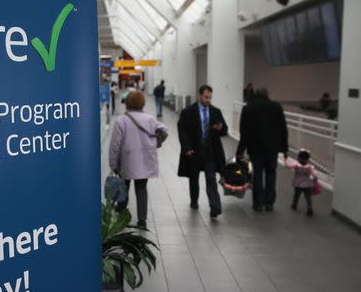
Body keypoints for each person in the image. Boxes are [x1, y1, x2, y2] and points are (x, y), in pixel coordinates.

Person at [109, 91, 167, 227]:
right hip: (144, 160)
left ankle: (120, 215)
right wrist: (157, 142)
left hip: (127, 160)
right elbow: (164, 130)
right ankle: (142, 220)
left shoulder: (121, 121)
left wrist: (113, 164)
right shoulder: (150, 119)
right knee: (141, 188)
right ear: (142, 102)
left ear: (127, 103)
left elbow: (115, 145)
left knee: (124, 188)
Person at [177, 85, 228, 218]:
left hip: (210, 152)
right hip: (194, 152)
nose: (208, 100)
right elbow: (182, 131)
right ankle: (194, 201)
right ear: (200, 95)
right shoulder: (188, 111)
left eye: (210, 97)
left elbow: (225, 130)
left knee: (211, 179)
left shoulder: (216, 112)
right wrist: (187, 148)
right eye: (206, 97)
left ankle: (215, 207)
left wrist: (220, 128)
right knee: (194, 179)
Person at [236, 88, 288, 212]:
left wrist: (240, 151)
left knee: (257, 174)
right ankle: (269, 202)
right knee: (271, 173)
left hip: (255, 148)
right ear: (267, 95)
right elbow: (283, 128)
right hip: (272, 148)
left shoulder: (248, 108)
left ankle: (258, 203)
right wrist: (285, 149)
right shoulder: (276, 107)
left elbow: (244, 132)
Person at [285, 149, 316, 217]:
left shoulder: (296, 165)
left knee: (296, 195)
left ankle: (294, 205)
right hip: (308, 184)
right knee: (308, 197)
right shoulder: (311, 167)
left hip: (298, 184)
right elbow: (314, 175)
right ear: (308, 159)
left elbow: (287, 166)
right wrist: (314, 181)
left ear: (298, 158)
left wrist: (285, 159)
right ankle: (309, 208)